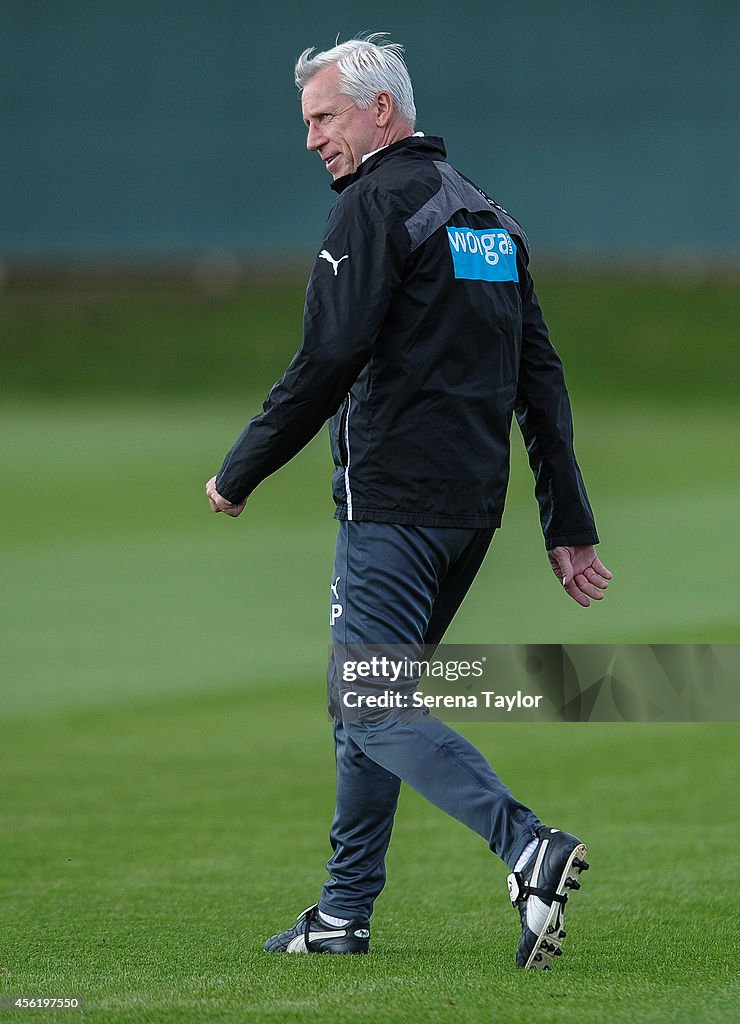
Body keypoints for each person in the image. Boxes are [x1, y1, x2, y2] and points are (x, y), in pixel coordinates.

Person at [205, 34, 612, 970]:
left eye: (324, 118)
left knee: (375, 706)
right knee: (369, 711)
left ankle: (527, 846)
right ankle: (343, 916)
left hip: (390, 506)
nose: (312, 140)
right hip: (469, 512)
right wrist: (569, 524)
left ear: (380, 110)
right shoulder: (488, 220)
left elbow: (328, 357)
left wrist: (243, 467)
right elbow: (539, 381)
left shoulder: (374, 208)